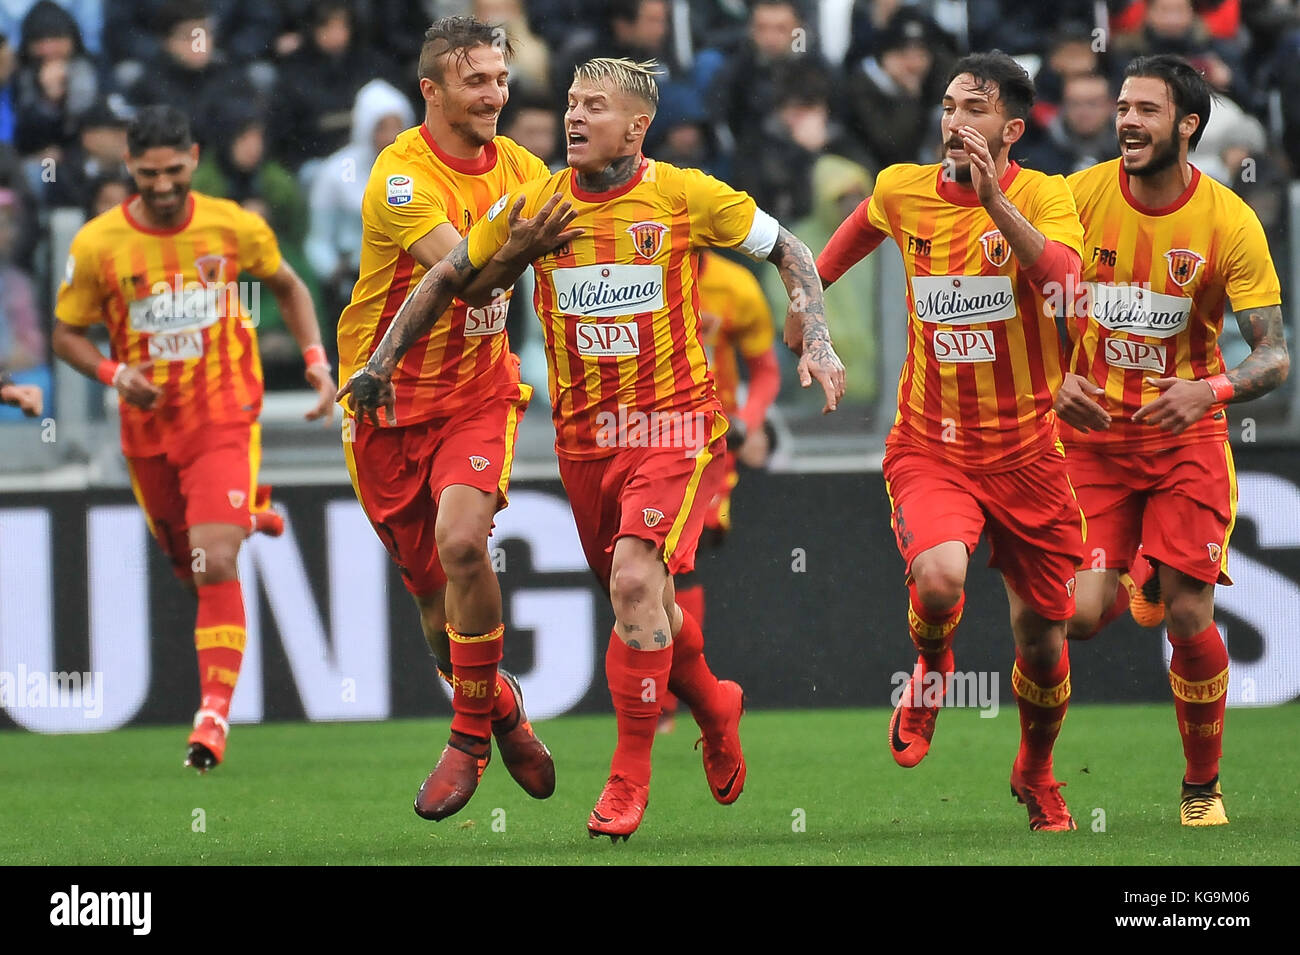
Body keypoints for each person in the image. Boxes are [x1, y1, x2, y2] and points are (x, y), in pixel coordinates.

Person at [340, 56, 845, 841]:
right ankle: (714, 701)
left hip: (674, 427)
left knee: (635, 580)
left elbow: (789, 248)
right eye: (571, 103)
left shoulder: (683, 194)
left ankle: (626, 784)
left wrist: (815, 334)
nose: (573, 117)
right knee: (649, 604)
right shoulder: (536, 201)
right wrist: (377, 365)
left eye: (594, 107)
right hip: (585, 441)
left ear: (636, 126)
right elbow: (448, 276)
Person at [817, 52, 1087, 831]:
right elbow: (850, 237)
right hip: (932, 445)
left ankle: (1036, 768)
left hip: (1031, 454)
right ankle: (933, 669)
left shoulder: (1046, 194)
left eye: (972, 107)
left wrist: (998, 203)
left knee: (1041, 640)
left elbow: (1068, 285)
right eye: (946, 104)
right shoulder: (903, 187)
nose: (952, 121)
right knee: (938, 580)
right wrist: (810, 311)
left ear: (1009, 129)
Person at [50, 105, 337, 770]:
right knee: (189, 567)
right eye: (147, 173)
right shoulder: (97, 245)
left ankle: (213, 715)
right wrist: (113, 371)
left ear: (193, 159)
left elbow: (288, 288)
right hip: (148, 431)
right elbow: (67, 331)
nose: (160, 185)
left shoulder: (231, 225)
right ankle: (244, 513)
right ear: (130, 167)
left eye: (173, 170)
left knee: (215, 559)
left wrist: (318, 362)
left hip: (223, 417)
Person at [1054, 55, 1290, 827]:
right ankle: (1135, 575)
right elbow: (1023, 298)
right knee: (1081, 617)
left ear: (1188, 124)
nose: (1127, 120)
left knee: (1190, 615)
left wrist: (1210, 388)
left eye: (1146, 110)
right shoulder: (1076, 199)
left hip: (1186, 435)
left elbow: (1274, 354)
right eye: (1123, 106)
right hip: (1093, 440)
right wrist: (1055, 378)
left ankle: (1201, 786)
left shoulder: (1229, 221)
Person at [333, 17, 559, 823]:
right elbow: (463, 277)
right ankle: (501, 709)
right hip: (386, 406)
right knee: (433, 604)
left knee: (465, 542)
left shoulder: (526, 167)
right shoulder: (400, 180)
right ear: (431, 91)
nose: (496, 93)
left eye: (501, 79)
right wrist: (525, 244)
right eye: (477, 81)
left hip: (477, 392)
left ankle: (466, 737)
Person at [657, 249, 780, 733]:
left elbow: (766, 370)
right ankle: (672, 691)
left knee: (689, 548)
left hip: (712, 440)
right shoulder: (634, 273)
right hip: (650, 433)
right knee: (650, 563)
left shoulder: (737, 286)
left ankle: (668, 697)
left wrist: (748, 423)